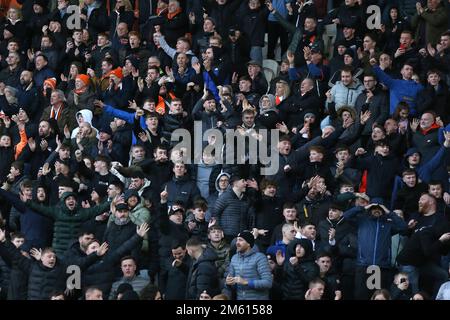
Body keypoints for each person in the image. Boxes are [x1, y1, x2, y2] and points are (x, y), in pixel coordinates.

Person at [226, 230, 272, 300]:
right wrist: (228, 283)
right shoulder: (234, 258)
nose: (237, 243)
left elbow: (268, 283)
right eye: (237, 240)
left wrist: (246, 282)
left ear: (248, 244)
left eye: (240, 240)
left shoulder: (260, 257)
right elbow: (232, 284)